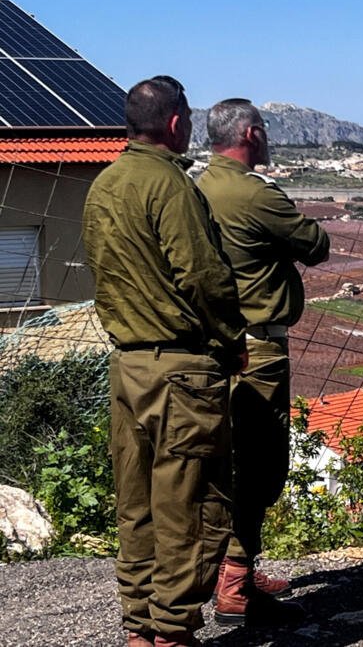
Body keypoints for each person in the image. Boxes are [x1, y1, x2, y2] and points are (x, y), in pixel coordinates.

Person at [83, 76, 248, 647]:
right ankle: (173, 629)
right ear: (177, 123)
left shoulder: (103, 184)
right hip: (181, 369)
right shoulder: (171, 186)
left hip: (126, 366)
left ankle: (139, 626)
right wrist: (232, 341)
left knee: (137, 506)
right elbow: (204, 276)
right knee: (190, 505)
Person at [197, 98, 329, 625]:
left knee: (220, 458)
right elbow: (315, 245)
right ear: (250, 134)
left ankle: (230, 570)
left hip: (208, 344)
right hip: (257, 347)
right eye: (266, 131)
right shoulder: (254, 194)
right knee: (261, 463)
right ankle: (234, 582)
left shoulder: (195, 187)